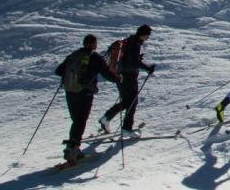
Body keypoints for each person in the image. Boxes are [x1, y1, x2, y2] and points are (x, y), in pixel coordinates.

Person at [54, 34, 120, 164]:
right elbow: (107, 74)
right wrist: (118, 79)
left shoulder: (74, 55)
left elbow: (59, 71)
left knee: (76, 120)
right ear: (94, 44)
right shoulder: (95, 57)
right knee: (81, 120)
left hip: (70, 91)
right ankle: (73, 149)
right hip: (85, 92)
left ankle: (72, 146)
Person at [98, 24, 155, 136]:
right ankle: (126, 129)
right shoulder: (135, 43)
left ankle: (107, 118)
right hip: (129, 76)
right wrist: (147, 68)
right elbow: (133, 62)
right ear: (143, 34)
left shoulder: (129, 41)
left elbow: (129, 59)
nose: (148, 38)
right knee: (132, 102)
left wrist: (138, 59)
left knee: (127, 101)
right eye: (147, 35)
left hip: (120, 75)